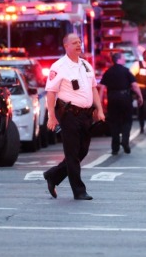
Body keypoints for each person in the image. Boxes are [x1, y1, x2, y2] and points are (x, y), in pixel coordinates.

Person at [43, 33, 104, 201]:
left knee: (82, 151)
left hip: (86, 115)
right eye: (74, 43)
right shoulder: (58, 66)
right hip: (69, 115)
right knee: (72, 153)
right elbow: (51, 93)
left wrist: (99, 110)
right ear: (66, 46)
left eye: (79, 42)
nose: (79, 45)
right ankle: (79, 190)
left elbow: (93, 89)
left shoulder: (85, 65)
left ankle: (53, 176)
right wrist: (51, 116)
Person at [99, 51, 142, 155]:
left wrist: (100, 103)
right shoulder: (126, 71)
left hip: (112, 98)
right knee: (127, 120)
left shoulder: (108, 72)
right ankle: (125, 141)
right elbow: (135, 86)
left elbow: (102, 88)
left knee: (114, 122)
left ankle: (115, 148)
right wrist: (140, 96)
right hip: (125, 98)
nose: (124, 60)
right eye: (123, 58)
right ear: (118, 59)